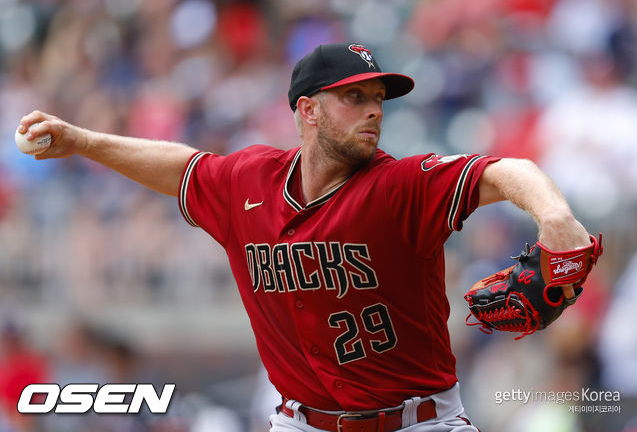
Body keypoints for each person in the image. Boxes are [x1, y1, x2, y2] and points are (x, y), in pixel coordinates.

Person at [18, 43, 590, 432]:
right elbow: (182, 167)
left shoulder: (397, 186)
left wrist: (555, 218)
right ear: (308, 110)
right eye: (355, 98)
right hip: (299, 421)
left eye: (377, 100)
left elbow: (500, 170)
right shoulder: (250, 180)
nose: (374, 112)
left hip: (418, 421)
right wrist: (80, 140)